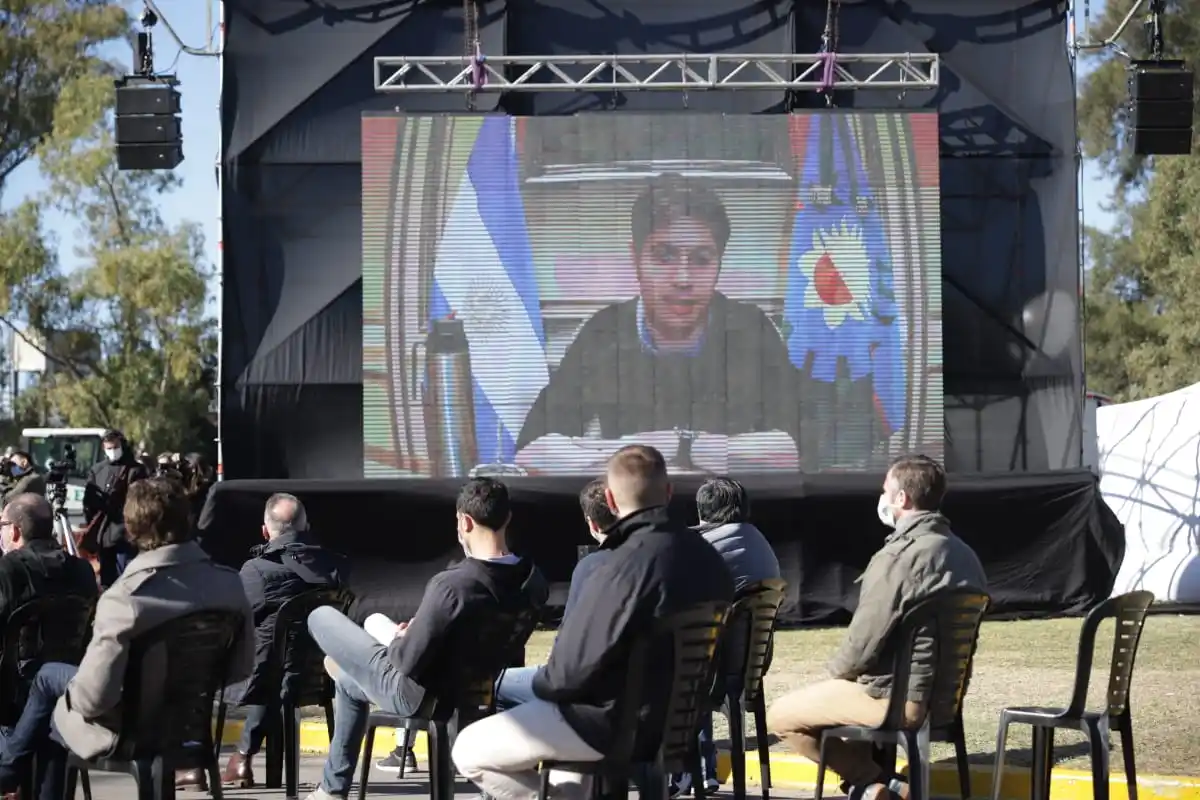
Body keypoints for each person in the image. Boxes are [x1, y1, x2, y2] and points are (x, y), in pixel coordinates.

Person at [452, 445, 735, 800]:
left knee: (469, 749)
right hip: (676, 726)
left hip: (609, 726)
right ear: (668, 492)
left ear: (611, 503)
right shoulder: (711, 561)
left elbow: (565, 676)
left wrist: (539, 686)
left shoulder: (617, 567)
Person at [513, 175, 811, 475]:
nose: (683, 278)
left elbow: (798, 450)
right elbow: (531, 451)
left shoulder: (750, 329)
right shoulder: (603, 332)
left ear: (719, 263)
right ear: (635, 258)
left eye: (701, 259)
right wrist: (652, 449)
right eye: (665, 257)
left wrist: (683, 445)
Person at [0, 478, 254, 800]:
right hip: (191, 729)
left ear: (131, 529)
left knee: (56, 710)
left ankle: (8, 771)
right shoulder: (231, 586)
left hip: (129, 734)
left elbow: (92, 699)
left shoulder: (125, 599)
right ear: (188, 518)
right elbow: (240, 670)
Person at [302, 478, 547, 800]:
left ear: (465, 521)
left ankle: (356, 659)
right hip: (474, 689)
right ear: (508, 518)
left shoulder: (453, 585)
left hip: (416, 693)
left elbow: (406, 662)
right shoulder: (533, 582)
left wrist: (401, 638)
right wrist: (421, 630)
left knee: (321, 616)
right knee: (348, 682)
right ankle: (331, 789)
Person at [766, 455, 987, 800]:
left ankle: (872, 782)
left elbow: (863, 642)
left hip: (897, 701)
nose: (882, 498)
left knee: (781, 716)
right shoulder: (966, 555)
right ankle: (876, 785)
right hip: (944, 701)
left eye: (886, 490)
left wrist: (835, 676)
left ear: (902, 499)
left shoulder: (899, 557)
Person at [175, 494, 348, 791]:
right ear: (306, 526)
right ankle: (242, 756)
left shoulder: (257, 570)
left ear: (265, 532)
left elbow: (231, 623)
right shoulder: (335, 567)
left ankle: (194, 764)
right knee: (274, 667)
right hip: (315, 678)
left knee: (192, 666)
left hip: (260, 679)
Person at [671, 477, 783, 797]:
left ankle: (681, 770)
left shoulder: (703, 547)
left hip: (718, 671)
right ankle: (701, 770)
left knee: (673, 664)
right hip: (752, 665)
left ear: (702, 511)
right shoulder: (759, 541)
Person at [489, 477, 618, 713]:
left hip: (593, 695)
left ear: (592, 525)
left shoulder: (592, 567)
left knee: (493, 688)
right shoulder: (657, 560)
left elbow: (567, 646)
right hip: (633, 691)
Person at [0, 492, 98, 634]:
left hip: (16, 656)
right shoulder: (83, 570)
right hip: (74, 655)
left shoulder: (7, 571)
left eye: (2, 525)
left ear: (14, 531)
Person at [81, 430, 149, 587]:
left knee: (126, 578)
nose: (112, 451)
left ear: (122, 445)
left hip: (126, 534)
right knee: (107, 580)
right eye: (108, 448)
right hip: (104, 535)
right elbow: (89, 502)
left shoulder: (135, 470)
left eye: (115, 447)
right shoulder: (97, 470)